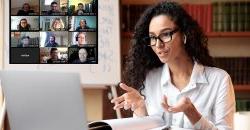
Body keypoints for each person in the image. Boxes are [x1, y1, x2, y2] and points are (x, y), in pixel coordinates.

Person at [111, 1, 235, 130]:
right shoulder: (150, 79)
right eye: (152, 37)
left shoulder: (219, 80)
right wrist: (140, 110)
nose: (158, 45)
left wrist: (192, 113)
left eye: (165, 34)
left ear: (184, 35)